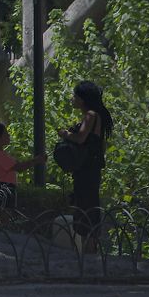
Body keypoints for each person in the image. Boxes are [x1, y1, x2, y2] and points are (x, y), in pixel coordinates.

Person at [59, 80, 113, 248]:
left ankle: (89, 252)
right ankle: (89, 250)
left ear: (82, 99)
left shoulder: (90, 115)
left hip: (87, 170)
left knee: (86, 207)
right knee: (87, 205)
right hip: (91, 169)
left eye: (75, 96)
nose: (72, 99)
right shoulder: (97, 116)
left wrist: (65, 134)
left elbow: (81, 138)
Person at [0, 123, 43, 222]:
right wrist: (35, 161)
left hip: (8, 187)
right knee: (4, 216)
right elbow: (18, 167)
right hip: (4, 187)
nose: (8, 136)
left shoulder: (1, 153)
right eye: (5, 134)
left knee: (7, 215)